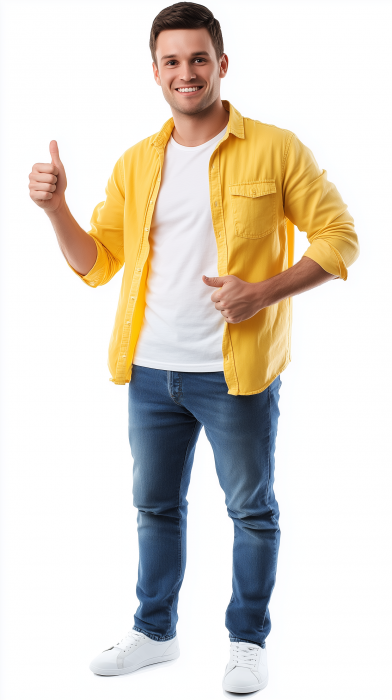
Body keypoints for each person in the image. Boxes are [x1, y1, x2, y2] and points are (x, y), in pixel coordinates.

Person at [28, 2, 359, 693]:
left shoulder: (276, 147)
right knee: (154, 506)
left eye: (199, 58)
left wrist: (262, 293)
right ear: (155, 72)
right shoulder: (137, 162)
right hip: (150, 373)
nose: (187, 72)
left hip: (234, 373)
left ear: (222, 65)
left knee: (251, 511)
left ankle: (247, 640)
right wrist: (57, 208)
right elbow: (97, 263)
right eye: (172, 61)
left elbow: (340, 240)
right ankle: (156, 632)